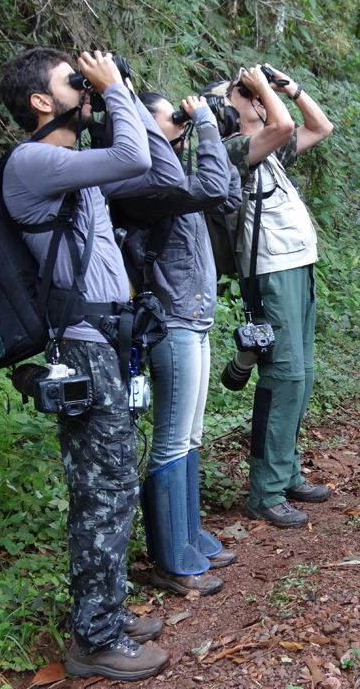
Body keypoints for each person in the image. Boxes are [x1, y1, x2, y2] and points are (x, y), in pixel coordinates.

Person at [0, 48, 182, 681]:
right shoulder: (33, 161)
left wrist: (116, 97)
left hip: (105, 341)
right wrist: (114, 92)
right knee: (102, 491)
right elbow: (133, 155)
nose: (88, 85)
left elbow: (159, 171)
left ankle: (106, 611)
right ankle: (94, 640)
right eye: (71, 81)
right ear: (41, 103)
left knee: (112, 485)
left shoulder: (71, 166)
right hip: (80, 344)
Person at [110, 92, 242, 595]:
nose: (182, 123)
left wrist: (214, 135)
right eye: (175, 117)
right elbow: (210, 187)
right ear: (144, 123)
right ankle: (170, 559)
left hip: (194, 317)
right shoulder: (144, 179)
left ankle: (187, 536)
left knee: (189, 436)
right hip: (170, 321)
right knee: (169, 438)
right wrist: (206, 120)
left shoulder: (172, 178)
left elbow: (225, 195)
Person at [202, 64, 333, 528]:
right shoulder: (232, 150)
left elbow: (320, 127)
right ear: (225, 110)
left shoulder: (272, 153)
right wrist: (260, 90)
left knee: (304, 375)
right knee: (284, 377)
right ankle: (266, 490)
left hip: (299, 266)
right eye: (241, 93)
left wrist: (290, 88)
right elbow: (281, 126)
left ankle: (288, 471)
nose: (253, 96)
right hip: (270, 274)